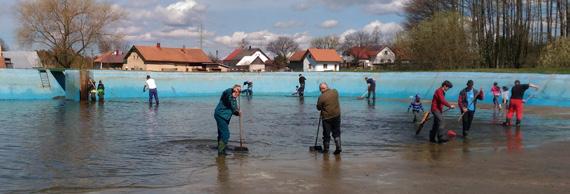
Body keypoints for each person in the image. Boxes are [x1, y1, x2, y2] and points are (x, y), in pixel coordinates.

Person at [214, 85, 241, 155]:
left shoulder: (234, 101)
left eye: (239, 91)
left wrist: (238, 113)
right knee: (226, 135)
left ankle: (221, 149)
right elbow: (226, 92)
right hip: (220, 115)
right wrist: (232, 89)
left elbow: (234, 110)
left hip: (225, 118)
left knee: (221, 134)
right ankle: (221, 153)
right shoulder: (227, 94)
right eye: (236, 90)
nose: (237, 92)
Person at [316, 82, 342, 154]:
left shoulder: (321, 97)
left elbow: (318, 108)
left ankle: (326, 150)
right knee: (336, 132)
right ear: (327, 87)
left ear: (321, 89)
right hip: (336, 115)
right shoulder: (335, 92)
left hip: (327, 118)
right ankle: (338, 147)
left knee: (326, 134)